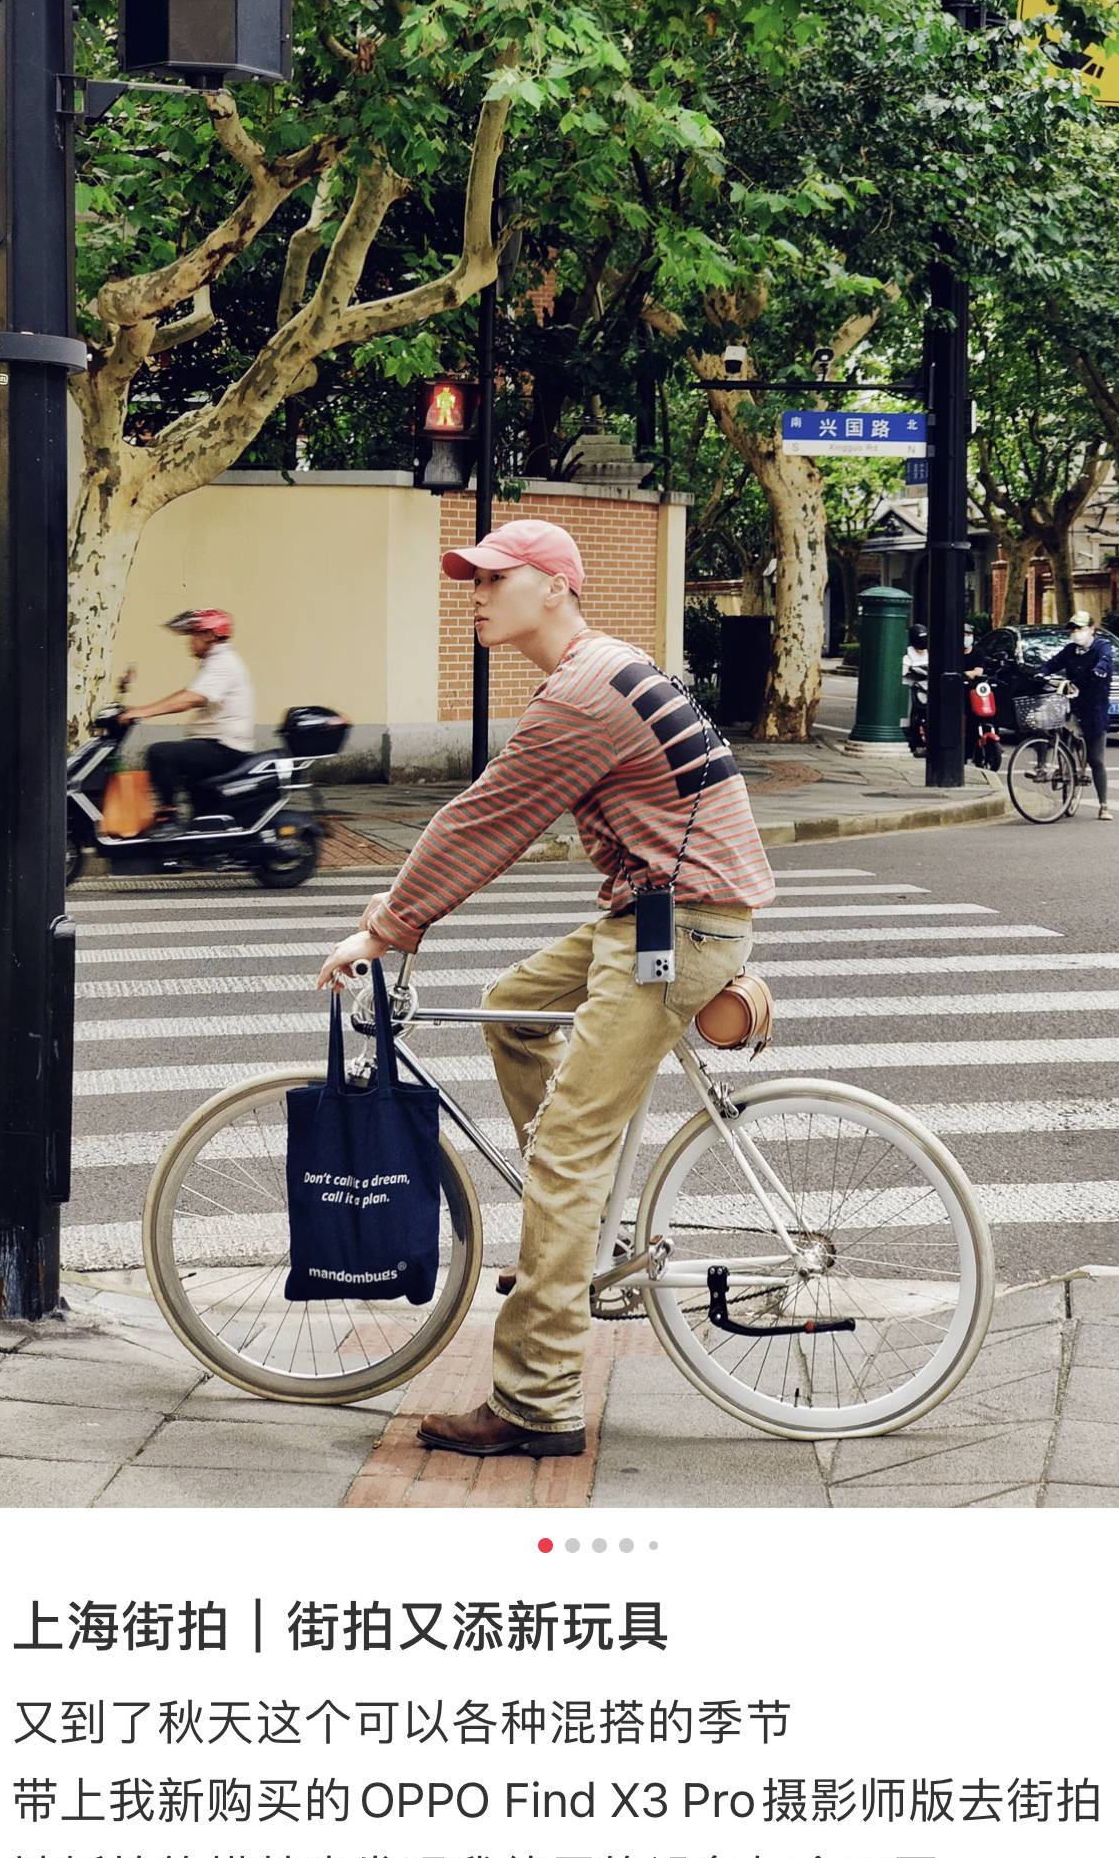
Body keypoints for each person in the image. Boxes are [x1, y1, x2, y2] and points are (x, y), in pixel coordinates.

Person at [317, 519, 776, 1460]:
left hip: (675, 922)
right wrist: (398, 903)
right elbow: (488, 818)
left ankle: (536, 1403)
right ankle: (568, 1232)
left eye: (495, 577)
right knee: (513, 1008)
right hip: (654, 910)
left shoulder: (583, 693)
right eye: (471, 580)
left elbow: (487, 818)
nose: (476, 593)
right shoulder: (597, 670)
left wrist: (387, 926)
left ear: (556, 587)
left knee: (566, 1155)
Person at [119, 609, 255, 825]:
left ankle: (169, 817)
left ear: (210, 635)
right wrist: (139, 709)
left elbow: (189, 698)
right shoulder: (217, 662)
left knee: (162, 754)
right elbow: (187, 694)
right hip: (216, 745)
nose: (190, 642)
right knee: (190, 782)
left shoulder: (223, 662)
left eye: (194, 634)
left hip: (226, 748)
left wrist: (143, 712)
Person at [1040, 609, 1113, 820]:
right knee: (1053, 730)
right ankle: (1059, 776)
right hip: (1071, 705)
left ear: (1092, 629)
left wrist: (1099, 669)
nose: (1076, 633)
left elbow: (1105, 661)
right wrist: (1042, 672)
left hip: (1094, 709)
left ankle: (1104, 805)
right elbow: (1053, 663)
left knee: (1096, 760)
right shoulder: (1070, 650)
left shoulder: (1102, 647)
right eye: (1073, 629)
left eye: (1080, 628)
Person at [903, 622, 928, 755]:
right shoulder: (908, 655)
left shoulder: (930, 654)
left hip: (928, 689)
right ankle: (914, 740)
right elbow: (903, 671)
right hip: (914, 689)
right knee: (913, 715)